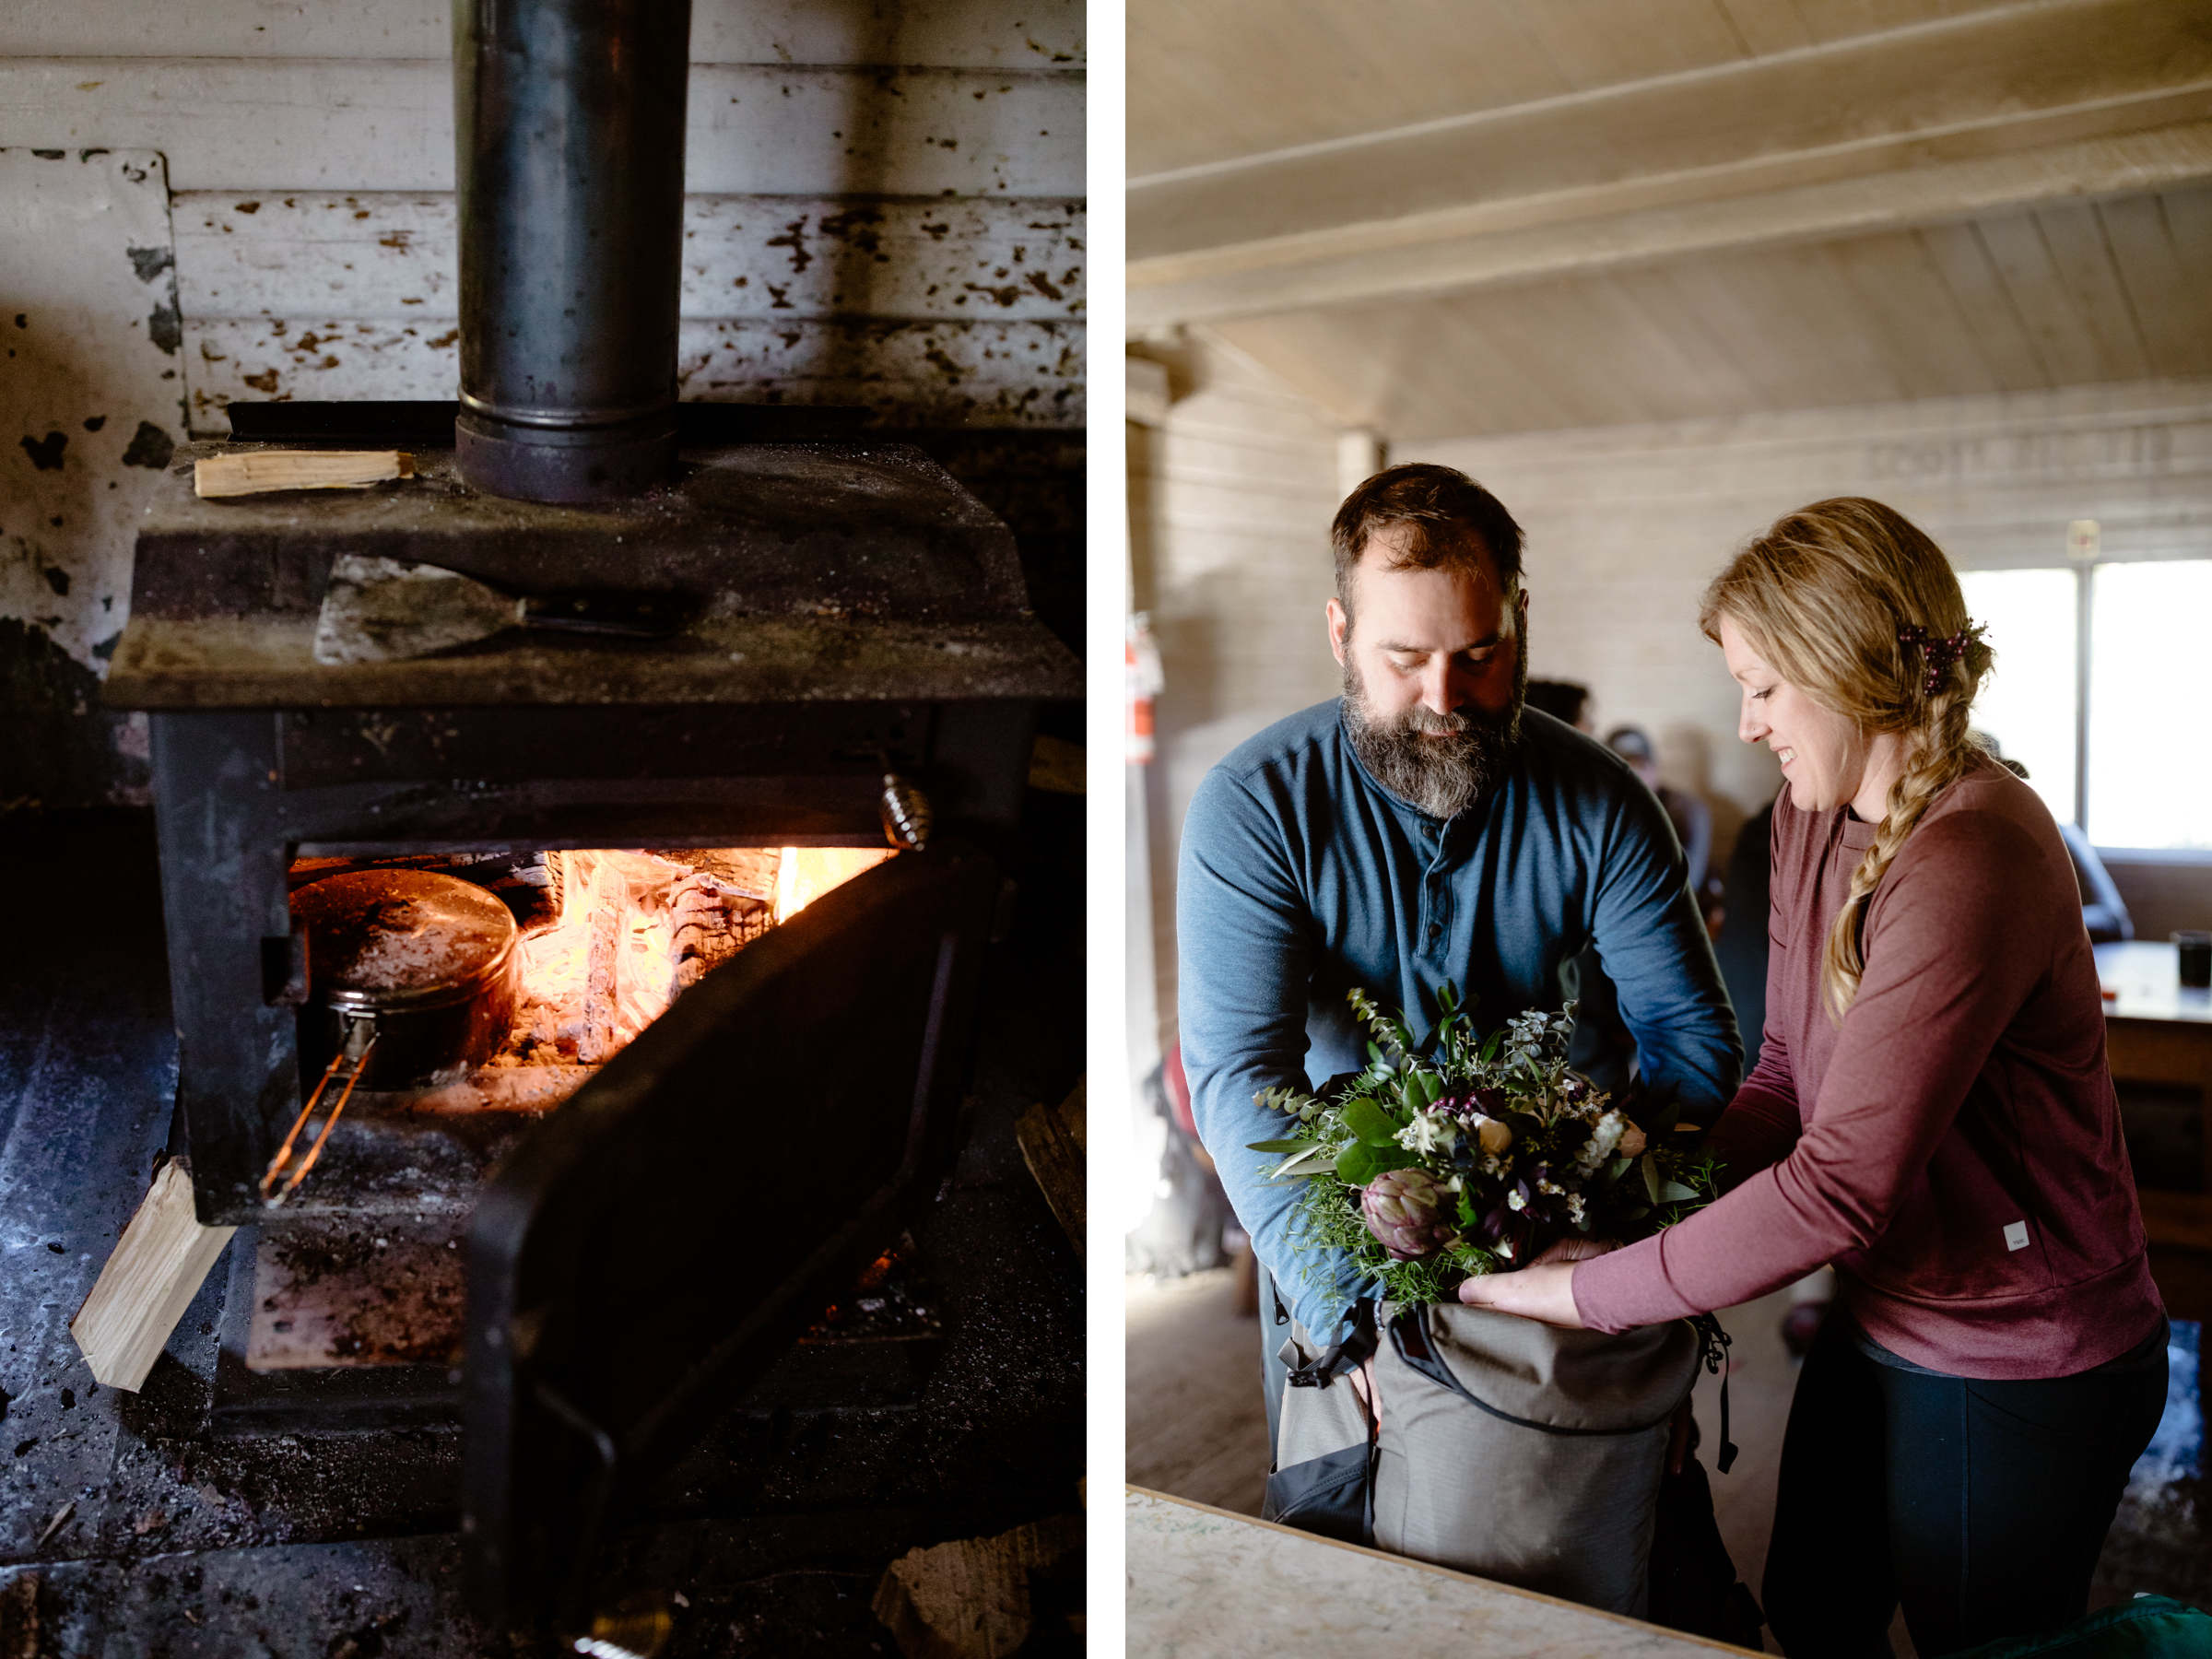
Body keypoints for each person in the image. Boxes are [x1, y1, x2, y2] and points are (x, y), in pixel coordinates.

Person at [1457, 497, 2168, 1657]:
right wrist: (1626, 1196)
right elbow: (1786, 1078)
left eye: (1764, 687)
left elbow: (1839, 1185)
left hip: (2020, 1344)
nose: (1746, 724)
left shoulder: (1974, 851)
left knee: (1982, 1647)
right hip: (1885, 1304)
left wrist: (1583, 1297)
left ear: (1844, 668)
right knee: (1815, 1612)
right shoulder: (1810, 815)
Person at [1176, 462, 1741, 1440]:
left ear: (1521, 617)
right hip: (1339, 1238)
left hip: (1571, 1246)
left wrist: (1602, 1237)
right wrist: (1351, 1311)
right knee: (1349, 1543)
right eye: (1404, 658)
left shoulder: (1607, 805)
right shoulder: (1254, 806)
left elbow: (1690, 1036)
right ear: (1340, 634)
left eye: (1479, 654)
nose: (1446, 700)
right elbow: (1240, 1073)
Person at [1605, 724, 1715, 902]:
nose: (1636, 775)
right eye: (1624, 768)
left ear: (1654, 767)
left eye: (1641, 765)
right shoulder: (1603, 811)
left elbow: (1689, 881)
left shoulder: (1687, 809)